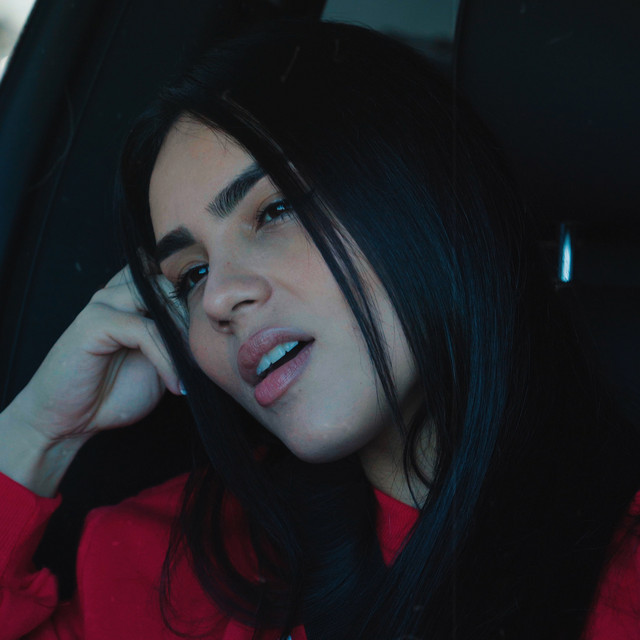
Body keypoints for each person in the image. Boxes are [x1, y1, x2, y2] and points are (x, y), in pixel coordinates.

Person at [0, 18, 638, 640]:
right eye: (191, 275)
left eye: (275, 209)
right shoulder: (172, 572)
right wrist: (37, 433)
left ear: (424, 193)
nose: (217, 298)